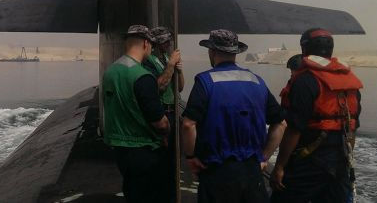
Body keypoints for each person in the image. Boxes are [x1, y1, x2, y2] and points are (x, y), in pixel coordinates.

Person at [181, 29, 286, 203]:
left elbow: (188, 125)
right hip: (252, 172)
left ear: (212, 52)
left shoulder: (205, 81)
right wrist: (263, 157)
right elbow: (281, 124)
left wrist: (191, 157)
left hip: (217, 172)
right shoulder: (257, 80)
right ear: (235, 53)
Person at [270, 28, 363, 203]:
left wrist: (280, 166)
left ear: (305, 49)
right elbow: (352, 129)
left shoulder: (305, 81)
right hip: (340, 162)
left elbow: (293, 131)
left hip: (309, 162)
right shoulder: (351, 83)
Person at [103, 24, 171, 203]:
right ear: (146, 44)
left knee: (132, 192)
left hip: (120, 149)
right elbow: (160, 122)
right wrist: (166, 132)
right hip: (143, 150)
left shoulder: (111, 71)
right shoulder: (142, 76)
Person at [144, 26, 185, 202]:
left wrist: (179, 70)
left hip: (172, 112)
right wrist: (169, 65)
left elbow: (180, 87)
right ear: (158, 43)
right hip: (161, 113)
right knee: (160, 158)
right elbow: (159, 87)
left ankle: (167, 193)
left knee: (171, 159)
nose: (169, 43)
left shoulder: (168, 57)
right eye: (166, 41)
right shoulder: (148, 61)